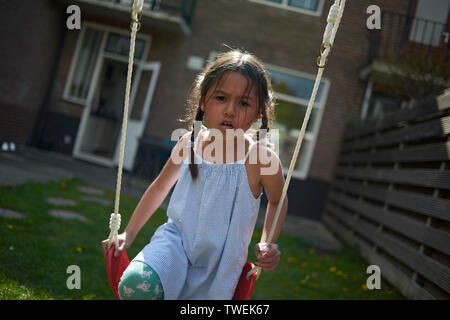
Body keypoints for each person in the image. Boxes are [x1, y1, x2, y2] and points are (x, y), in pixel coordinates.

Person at [102, 49, 288, 300]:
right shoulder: (188, 144)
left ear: (258, 113)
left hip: (221, 262)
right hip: (174, 244)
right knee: (136, 285)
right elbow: (159, 188)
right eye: (220, 98)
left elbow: (277, 200)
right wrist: (129, 233)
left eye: (243, 103)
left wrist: (268, 242)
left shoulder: (260, 159)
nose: (230, 110)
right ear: (203, 101)